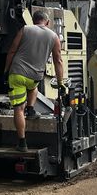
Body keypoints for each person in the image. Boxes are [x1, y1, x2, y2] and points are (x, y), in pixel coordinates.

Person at [4, 10, 66, 152]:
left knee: (18, 109)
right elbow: (58, 60)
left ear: (33, 21)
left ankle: (22, 143)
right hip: (35, 77)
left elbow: (12, 51)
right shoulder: (54, 36)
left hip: (18, 74)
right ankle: (31, 109)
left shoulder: (25, 29)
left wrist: (6, 71)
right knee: (33, 88)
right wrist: (60, 82)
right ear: (47, 22)